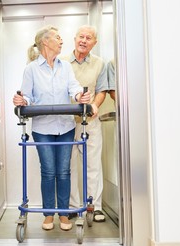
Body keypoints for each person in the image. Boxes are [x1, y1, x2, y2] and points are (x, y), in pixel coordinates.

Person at [13, 25, 90, 231]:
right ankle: (48, 215)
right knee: (48, 172)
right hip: (42, 128)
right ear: (45, 42)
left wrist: (78, 96)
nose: (62, 41)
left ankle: (64, 215)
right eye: (58, 37)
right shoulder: (31, 69)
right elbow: (28, 96)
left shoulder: (65, 67)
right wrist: (22, 100)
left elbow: (73, 88)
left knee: (64, 171)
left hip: (65, 126)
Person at [60, 25, 108, 222]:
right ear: (75, 38)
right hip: (66, 122)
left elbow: (103, 90)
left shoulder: (100, 63)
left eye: (89, 38)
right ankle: (73, 207)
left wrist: (94, 106)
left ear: (94, 43)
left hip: (90, 121)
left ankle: (94, 206)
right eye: (81, 36)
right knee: (68, 165)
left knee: (93, 165)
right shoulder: (61, 62)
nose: (84, 40)